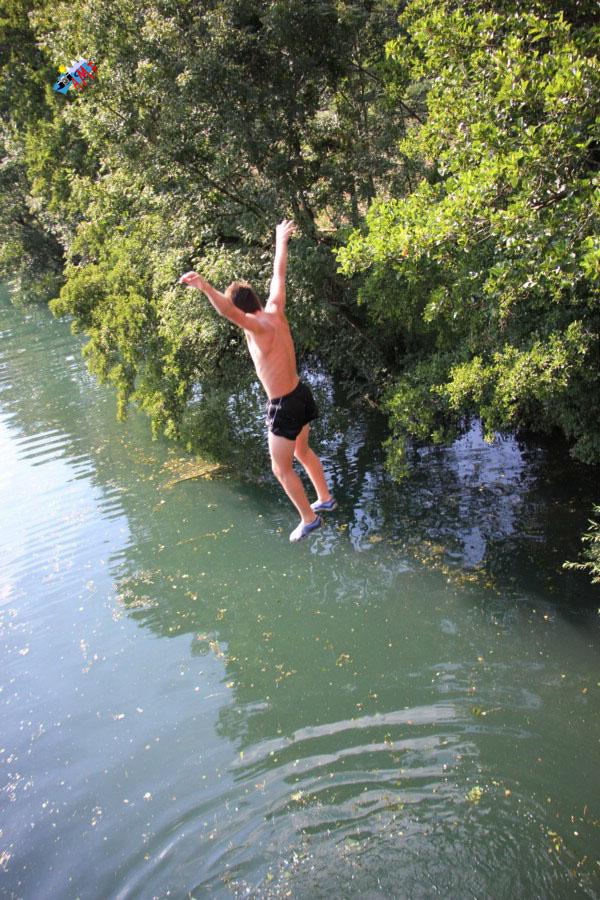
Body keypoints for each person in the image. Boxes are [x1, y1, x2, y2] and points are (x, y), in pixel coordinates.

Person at [179, 219, 336, 541]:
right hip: (301, 393)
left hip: (284, 406)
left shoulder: (256, 327)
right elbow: (279, 275)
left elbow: (228, 312)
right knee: (302, 452)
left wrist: (205, 286)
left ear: (242, 310)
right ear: (256, 300)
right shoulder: (275, 310)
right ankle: (325, 498)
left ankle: (309, 518)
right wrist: (281, 240)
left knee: (281, 468)